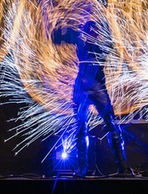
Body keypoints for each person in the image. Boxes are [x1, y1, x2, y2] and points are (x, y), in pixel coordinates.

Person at [53, 20, 133, 178]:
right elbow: (58, 37)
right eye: (89, 30)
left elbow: (110, 45)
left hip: (94, 86)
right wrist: (61, 29)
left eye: (93, 30)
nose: (90, 33)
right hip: (85, 87)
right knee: (83, 128)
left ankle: (122, 167)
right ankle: (83, 169)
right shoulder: (82, 41)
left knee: (107, 125)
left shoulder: (100, 45)